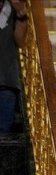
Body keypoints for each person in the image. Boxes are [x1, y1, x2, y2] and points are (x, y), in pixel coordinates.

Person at [0, 0, 27, 133]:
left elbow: (21, 42)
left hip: (6, 82)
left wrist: (21, 13)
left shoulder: (13, 10)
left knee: (4, 135)